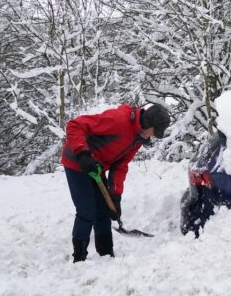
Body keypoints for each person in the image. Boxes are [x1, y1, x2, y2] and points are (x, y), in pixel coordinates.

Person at [60, 103, 171, 262]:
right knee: (87, 211)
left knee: (104, 210)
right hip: (77, 162)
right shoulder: (118, 120)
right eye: (153, 132)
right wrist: (83, 154)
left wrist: (115, 194)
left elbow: (120, 166)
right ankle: (79, 258)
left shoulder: (138, 139)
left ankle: (106, 254)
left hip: (97, 167)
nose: (152, 136)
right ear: (147, 123)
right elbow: (74, 125)